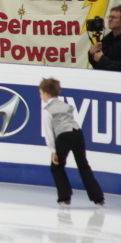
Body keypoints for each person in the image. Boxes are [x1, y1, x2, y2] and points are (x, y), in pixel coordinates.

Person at [40, 77, 105, 207]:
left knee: (56, 166)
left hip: (64, 136)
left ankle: (65, 197)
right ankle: (98, 198)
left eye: (40, 93)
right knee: (83, 165)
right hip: (77, 133)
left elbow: (49, 133)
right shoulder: (65, 105)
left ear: (46, 93)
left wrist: (53, 151)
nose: (40, 96)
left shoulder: (47, 110)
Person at [88, 5, 121, 72]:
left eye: (114, 17)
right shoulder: (107, 39)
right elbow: (97, 65)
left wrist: (102, 59)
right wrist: (92, 53)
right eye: (109, 17)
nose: (110, 20)